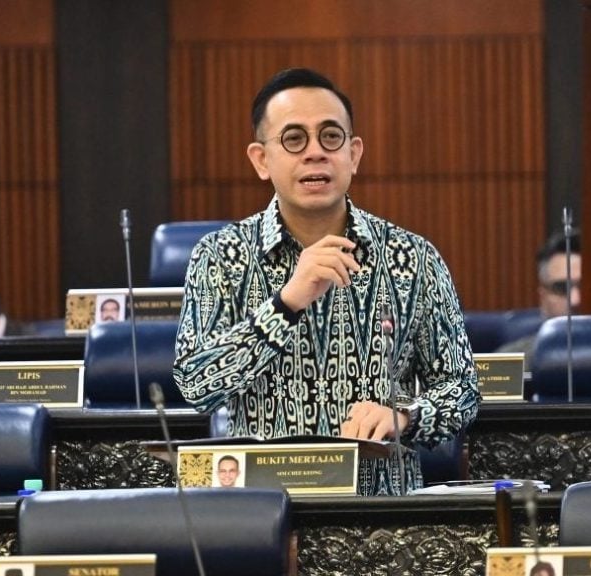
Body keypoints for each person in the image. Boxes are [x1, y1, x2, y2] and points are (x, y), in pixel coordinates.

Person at [174, 68, 479, 496]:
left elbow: (462, 389)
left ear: (354, 154)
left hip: (380, 512)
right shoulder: (220, 256)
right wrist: (284, 305)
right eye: (294, 139)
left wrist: (405, 416)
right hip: (262, 511)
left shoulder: (413, 258)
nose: (315, 153)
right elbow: (195, 384)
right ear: (261, 160)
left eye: (331, 137)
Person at [497, 229, 581, 357]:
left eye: (585, 287)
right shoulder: (510, 361)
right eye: (561, 288)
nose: (575, 300)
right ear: (543, 297)